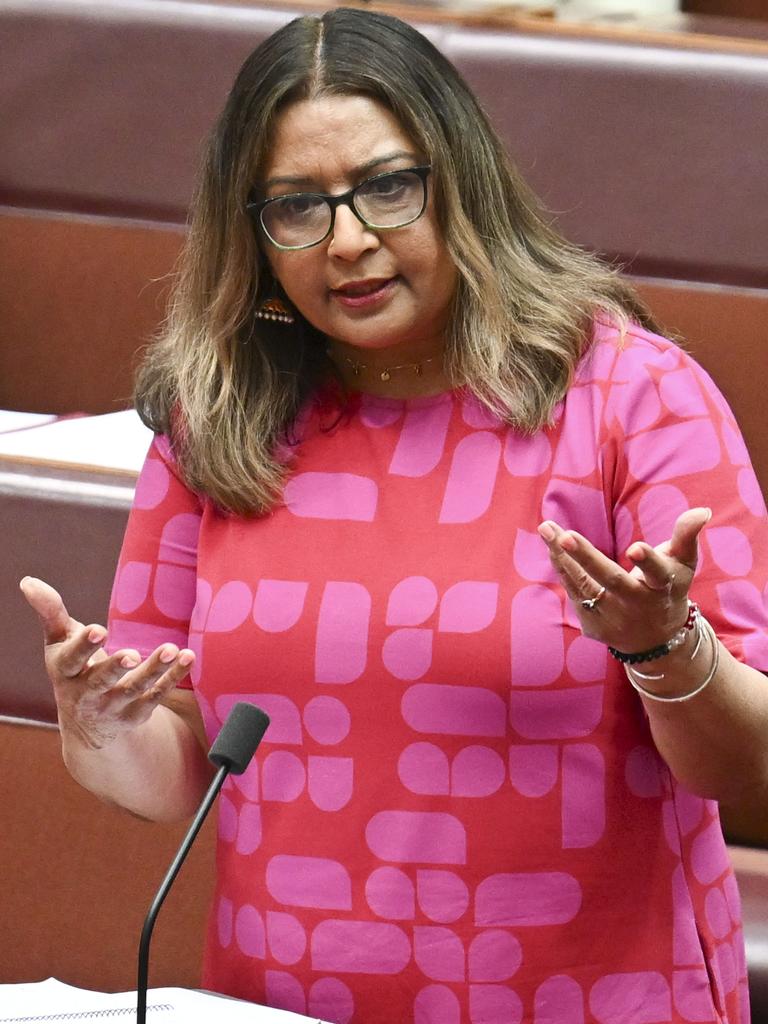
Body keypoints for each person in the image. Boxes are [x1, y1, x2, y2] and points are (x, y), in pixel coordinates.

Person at [20, 8, 768, 1023]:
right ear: (253, 230)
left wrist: (664, 648)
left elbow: (748, 771)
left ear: (459, 179)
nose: (350, 241)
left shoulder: (631, 397)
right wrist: (103, 729)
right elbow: (186, 757)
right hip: (285, 1006)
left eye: (386, 186)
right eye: (298, 206)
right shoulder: (223, 418)